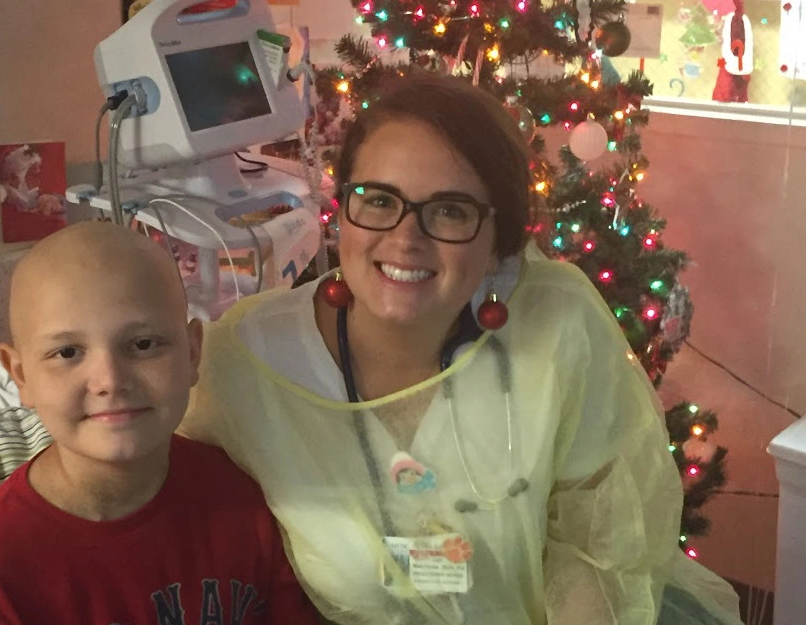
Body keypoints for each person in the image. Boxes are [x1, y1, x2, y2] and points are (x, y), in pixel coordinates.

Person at [179, 72, 744, 625]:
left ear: (500, 240)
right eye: (378, 200)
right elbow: (165, 509)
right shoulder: (248, 362)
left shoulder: (558, 327)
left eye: (450, 210)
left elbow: (600, 548)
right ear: (342, 210)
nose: (406, 238)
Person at [0, 222, 319, 625]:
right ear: (21, 375)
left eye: (143, 344)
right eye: (68, 352)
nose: (110, 380)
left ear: (192, 353)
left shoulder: (242, 500)